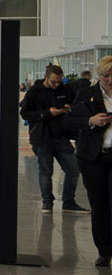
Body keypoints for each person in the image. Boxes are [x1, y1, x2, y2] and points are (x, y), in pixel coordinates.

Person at [63, 56, 112, 265]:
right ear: (98, 76)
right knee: (98, 203)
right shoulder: (86, 94)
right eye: (106, 75)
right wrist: (91, 121)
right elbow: (69, 121)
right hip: (94, 157)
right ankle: (104, 250)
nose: (110, 80)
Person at [24, 64, 85, 213]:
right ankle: (47, 202)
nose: (57, 85)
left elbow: (74, 106)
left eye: (59, 81)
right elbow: (25, 114)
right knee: (46, 171)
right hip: (42, 137)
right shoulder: (34, 92)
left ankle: (68, 202)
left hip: (61, 136)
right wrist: (47, 113)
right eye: (53, 82)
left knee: (73, 169)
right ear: (46, 77)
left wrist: (68, 108)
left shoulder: (65, 90)